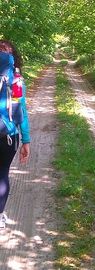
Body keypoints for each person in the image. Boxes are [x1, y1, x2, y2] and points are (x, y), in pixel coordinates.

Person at [0, 40, 30, 229]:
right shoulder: (17, 80)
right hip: (8, 136)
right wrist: (26, 139)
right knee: (2, 175)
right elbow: (22, 112)